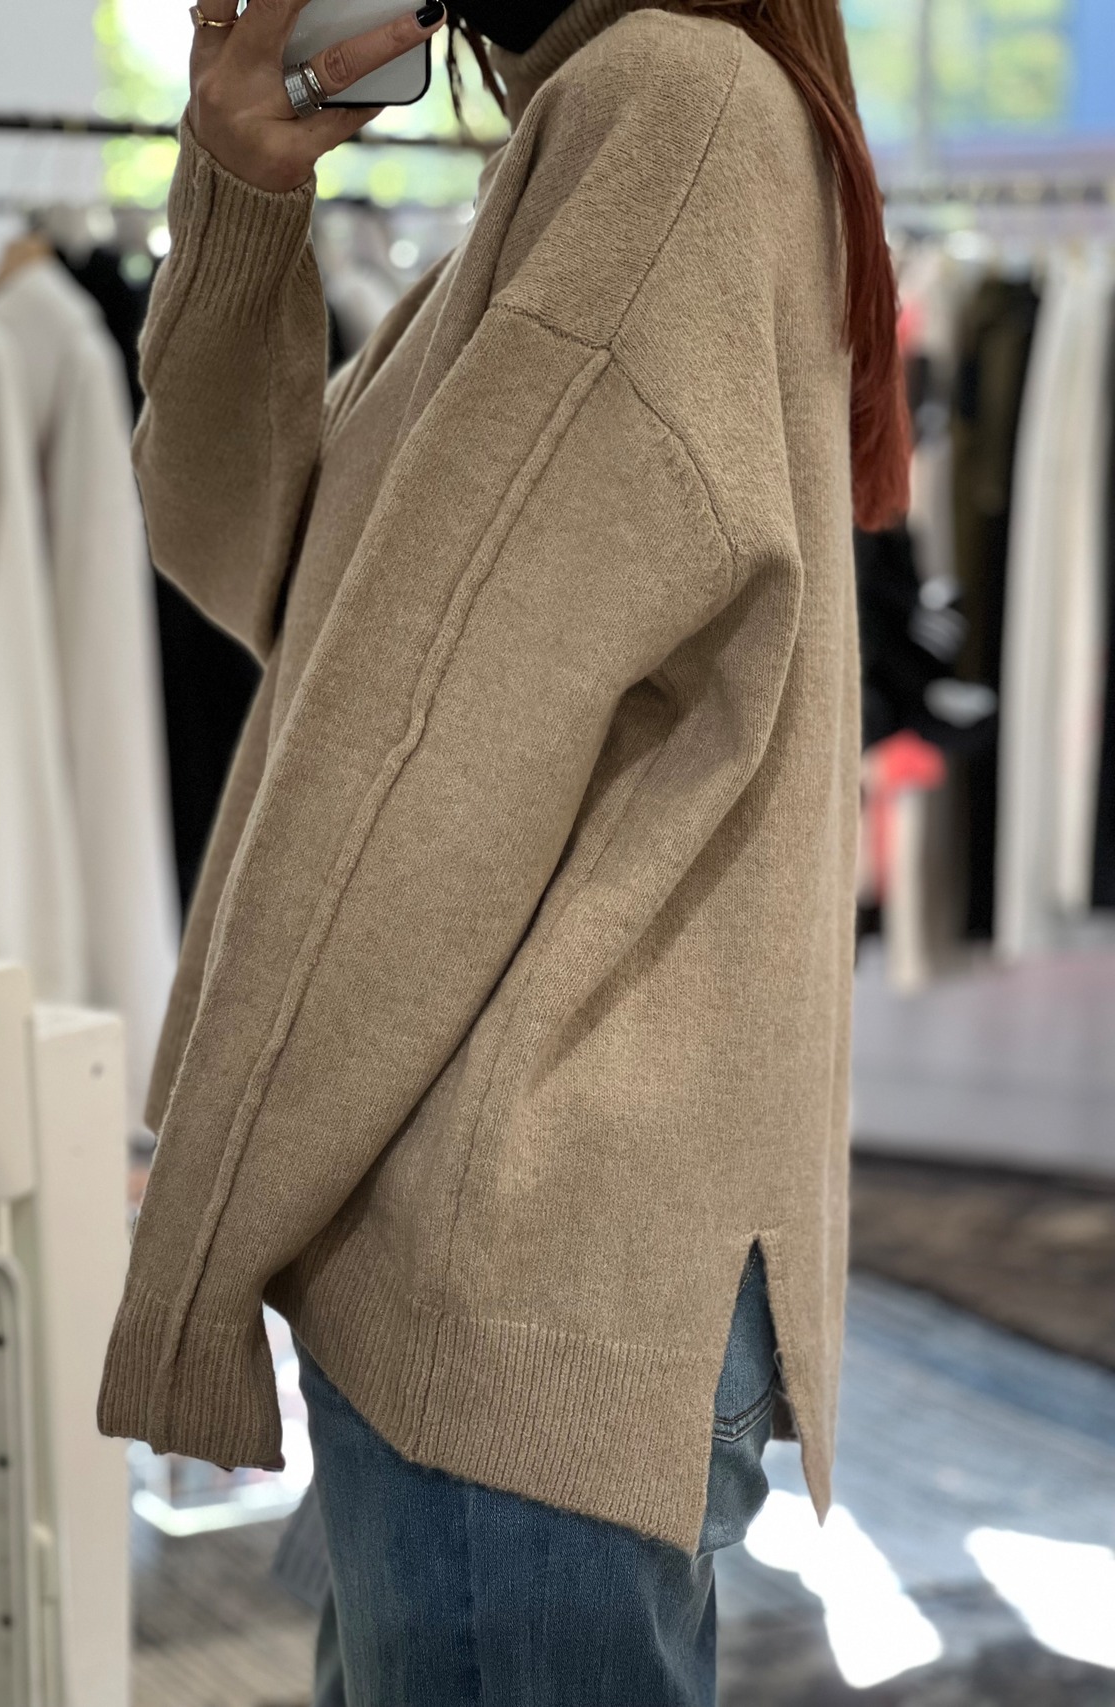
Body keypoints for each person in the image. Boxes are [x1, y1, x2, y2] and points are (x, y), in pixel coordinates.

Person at [98, 1, 909, 1700]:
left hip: (527, 1253)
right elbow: (266, 566)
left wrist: (209, 1224)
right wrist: (244, 197)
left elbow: (415, 759)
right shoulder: (600, 125)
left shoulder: (666, 109)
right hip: (510, 1243)